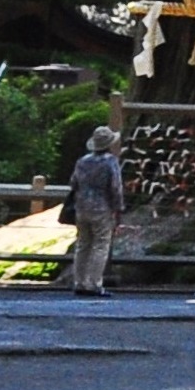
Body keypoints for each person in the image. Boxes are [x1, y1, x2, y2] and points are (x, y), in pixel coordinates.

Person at [65, 125, 127, 296]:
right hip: (102, 208)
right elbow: (115, 188)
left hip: (81, 207)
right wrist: (118, 209)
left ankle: (79, 282)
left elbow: (73, 183)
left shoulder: (82, 161)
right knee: (100, 244)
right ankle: (94, 283)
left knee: (83, 243)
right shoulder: (110, 162)